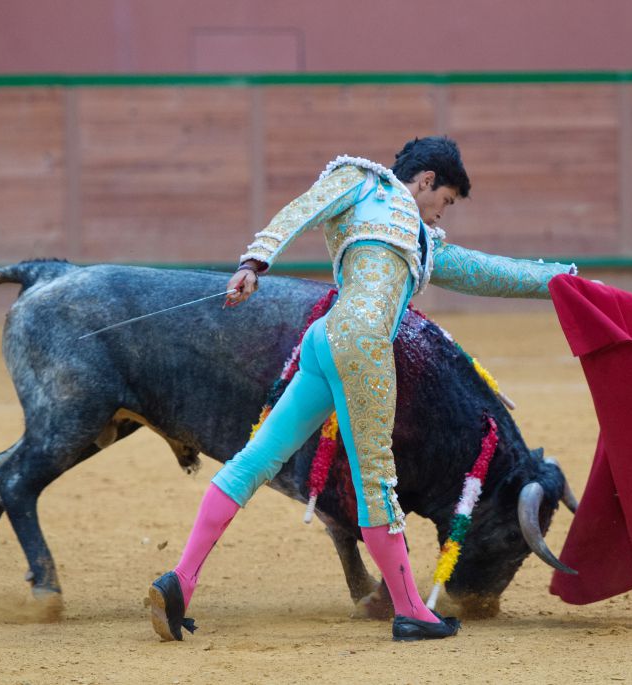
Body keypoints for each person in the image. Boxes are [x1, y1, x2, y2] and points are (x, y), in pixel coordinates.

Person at [148, 136, 577, 642]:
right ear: (426, 181)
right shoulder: (368, 184)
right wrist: (254, 263)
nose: (442, 215)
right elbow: (304, 210)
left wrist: (561, 279)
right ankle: (413, 611)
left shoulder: (394, 216)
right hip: (364, 349)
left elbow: (487, 272)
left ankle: (182, 579)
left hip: (323, 340)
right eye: (445, 201)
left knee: (255, 459)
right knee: (376, 480)